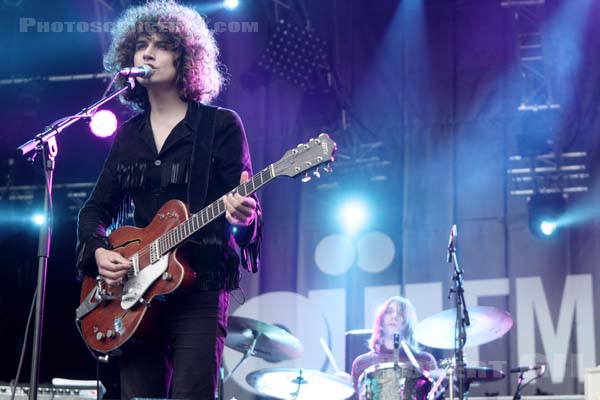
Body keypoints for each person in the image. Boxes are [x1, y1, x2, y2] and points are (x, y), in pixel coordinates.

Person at [75, 1, 261, 399]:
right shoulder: (128, 137)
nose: (148, 52)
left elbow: (245, 213)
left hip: (200, 287)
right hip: (135, 296)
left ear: (186, 56)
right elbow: (94, 210)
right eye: (142, 44)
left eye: (162, 44)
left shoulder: (220, 126)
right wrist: (98, 252)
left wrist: (242, 219)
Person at [350, 296, 437, 398]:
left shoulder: (425, 360)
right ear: (381, 318)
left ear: (407, 322)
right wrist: (345, 387)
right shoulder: (362, 362)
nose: (394, 316)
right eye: (389, 311)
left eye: (400, 313)